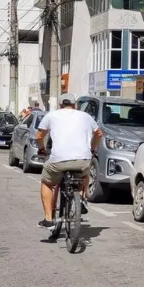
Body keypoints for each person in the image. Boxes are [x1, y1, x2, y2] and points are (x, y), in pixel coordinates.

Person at [35, 94, 103, 230]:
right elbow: (99, 134)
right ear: (75, 105)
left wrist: (42, 149)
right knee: (84, 172)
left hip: (58, 160)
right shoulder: (86, 116)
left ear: (60, 105)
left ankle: (48, 220)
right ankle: (83, 198)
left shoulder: (52, 115)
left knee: (46, 181)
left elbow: (39, 135)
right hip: (82, 160)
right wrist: (93, 149)